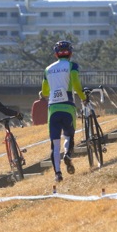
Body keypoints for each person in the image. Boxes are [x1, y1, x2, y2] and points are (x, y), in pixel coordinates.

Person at [41, 40, 87, 182]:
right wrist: (83, 98)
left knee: (55, 144)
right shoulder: (72, 66)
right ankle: (67, 154)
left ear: (56, 54)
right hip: (68, 106)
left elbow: (44, 91)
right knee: (68, 136)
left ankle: (58, 174)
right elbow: (76, 84)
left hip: (53, 108)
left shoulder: (47, 69)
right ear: (70, 53)